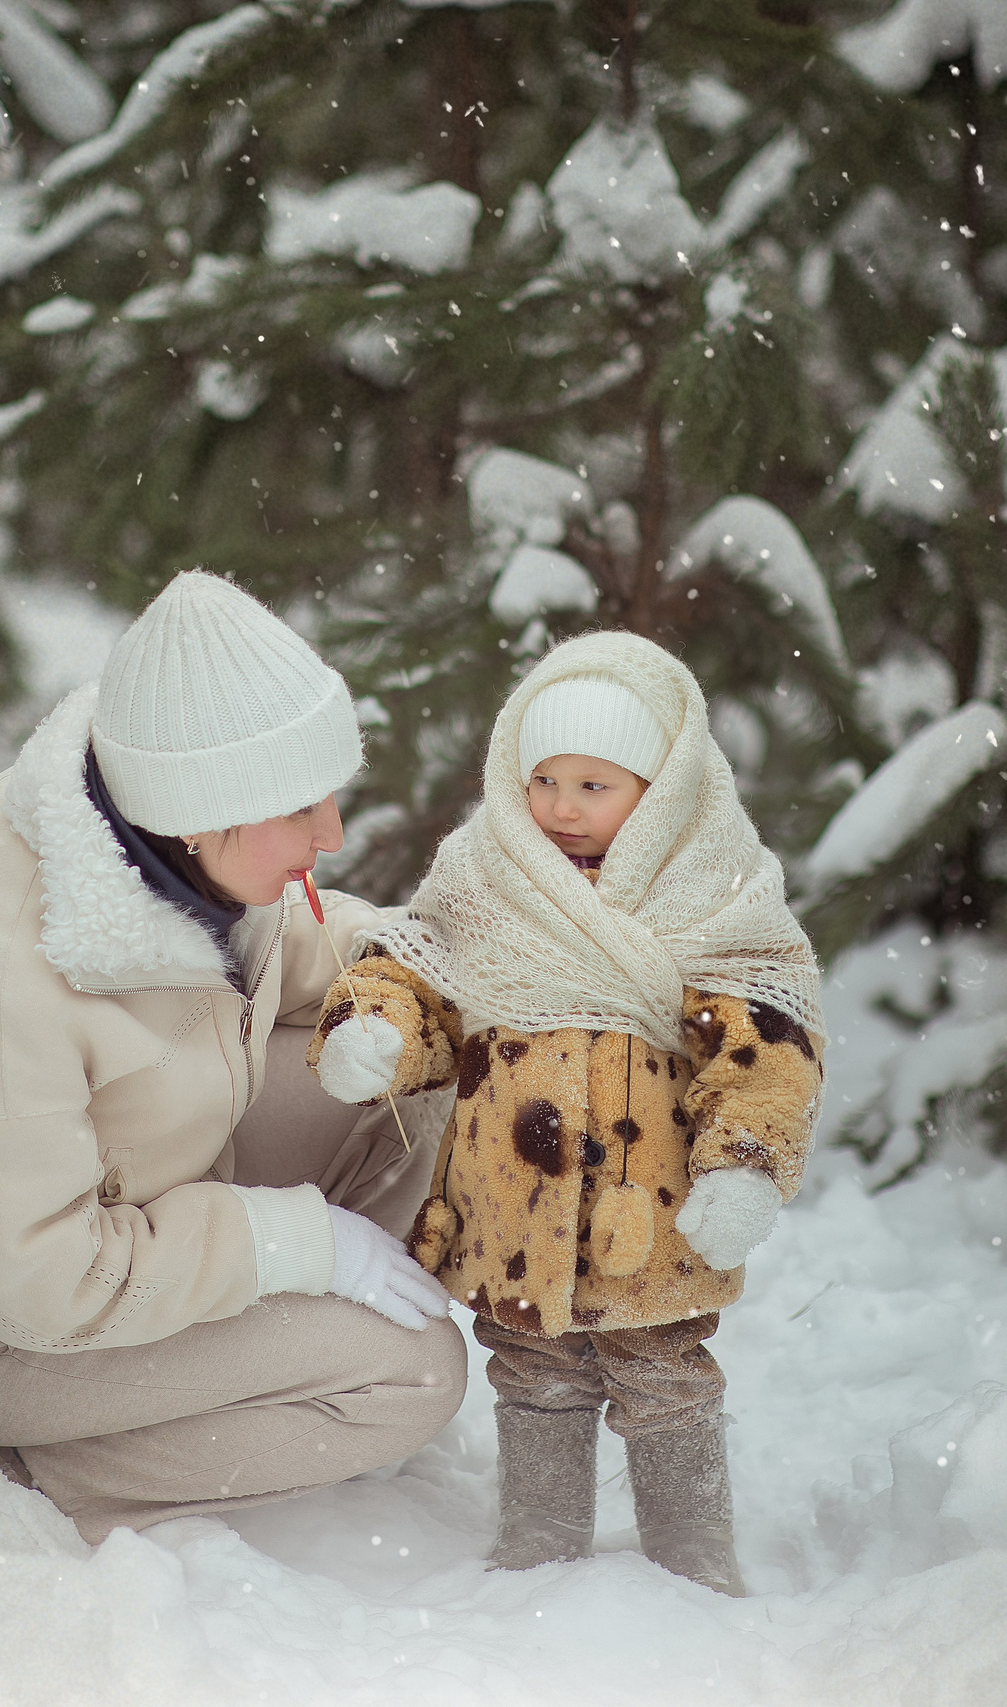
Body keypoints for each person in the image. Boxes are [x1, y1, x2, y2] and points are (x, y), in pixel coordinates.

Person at [0, 570, 461, 1544]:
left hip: (131, 1191)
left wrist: (455, 965)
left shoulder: (166, 830)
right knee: (415, 1374)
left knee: (421, 1065)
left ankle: (292, 1354)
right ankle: (57, 1466)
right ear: (202, 811)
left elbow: (295, 952)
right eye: (301, 809)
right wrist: (290, 1244)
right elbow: (40, 1285)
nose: (331, 835)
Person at [308, 630, 824, 1595]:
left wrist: (747, 1159)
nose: (560, 808)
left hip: (654, 1209)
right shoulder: (485, 877)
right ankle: (539, 1546)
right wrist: (375, 1030)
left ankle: (693, 1555)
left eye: (595, 784)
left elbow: (765, 1045)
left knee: (662, 1372)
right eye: (543, 779)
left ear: (663, 788)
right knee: (532, 1364)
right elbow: (413, 973)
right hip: (514, 1205)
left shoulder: (713, 889)